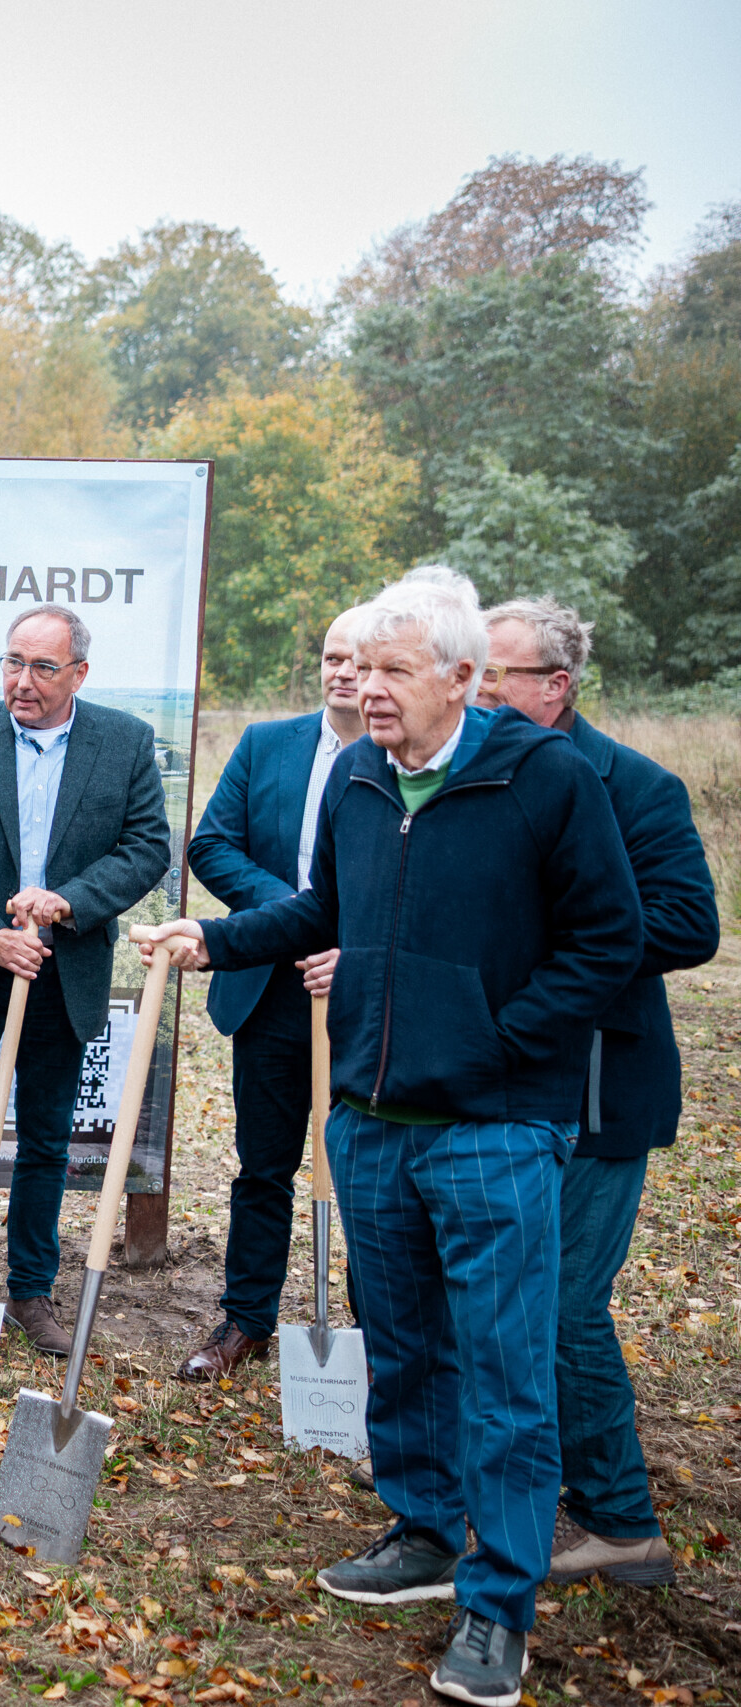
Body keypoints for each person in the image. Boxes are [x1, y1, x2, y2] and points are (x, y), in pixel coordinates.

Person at [143, 580, 643, 1707]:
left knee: (505, 1372)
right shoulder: (361, 779)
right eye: (360, 667)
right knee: (404, 1348)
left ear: (463, 679)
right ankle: (421, 1531)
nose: (366, 688)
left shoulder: (545, 779)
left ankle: (497, 1602)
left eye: (393, 670)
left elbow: (609, 940)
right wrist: (216, 938)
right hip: (370, 1123)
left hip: (494, 1129)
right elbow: (327, 910)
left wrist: (496, 1043)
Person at [479, 595, 719, 1588]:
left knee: (567, 1307)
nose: (479, 688)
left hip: (598, 1087)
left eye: (497, 673)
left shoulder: (637, 786)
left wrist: (561, 930)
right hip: (489, 1078)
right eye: (472, 669)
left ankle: (622, 1521)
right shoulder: (467, 772)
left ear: (556, 685)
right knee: (503, 1300)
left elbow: (690, 925)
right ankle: (522, 1482)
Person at [0, 604, 171, 1357]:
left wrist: (68, 902)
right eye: (13, 662)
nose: (23, 680)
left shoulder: (124, 742)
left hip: (62, 970)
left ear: (79, 673)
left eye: (43, 667)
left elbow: (146, 846)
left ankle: (30, 1291)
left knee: (47, 1142)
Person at [176, 609, 367, 1380]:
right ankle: (246, 1320)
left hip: (365, 995)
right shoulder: (266, 744)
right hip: (270, 988)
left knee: (368, 1170)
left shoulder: (405, 759)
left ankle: (376, 1329)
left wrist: (348, 944)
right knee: (262, 1166)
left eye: (359, 660)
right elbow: (210, 844)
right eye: (332, 656)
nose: (343, 672)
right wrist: (292, 916)